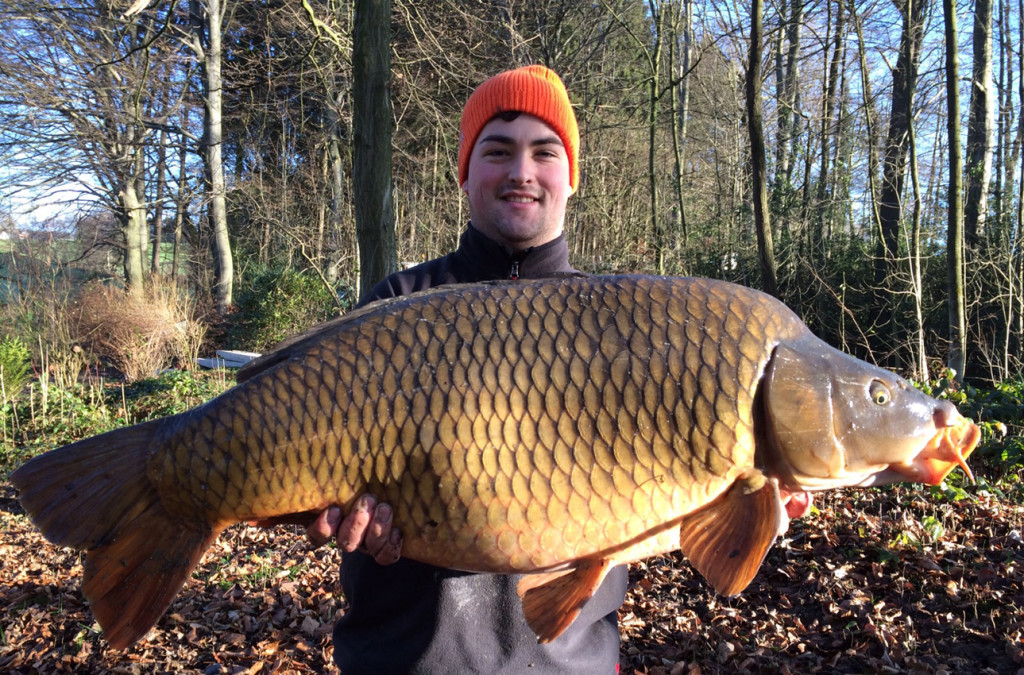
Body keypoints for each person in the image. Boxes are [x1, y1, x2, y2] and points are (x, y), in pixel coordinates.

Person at [307, 65, 628, 674]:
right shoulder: (397, 303)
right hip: (408, 660)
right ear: (465, 169)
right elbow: (328, 481)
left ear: (571, 176)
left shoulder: (620, 322)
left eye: (545, 152)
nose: (522, 173)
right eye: (498, 150)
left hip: (572, 663)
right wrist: (347, 511)